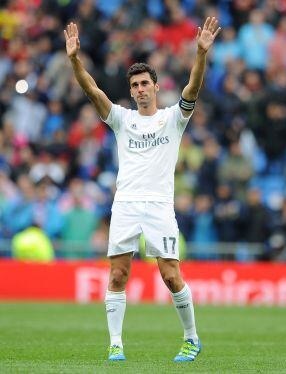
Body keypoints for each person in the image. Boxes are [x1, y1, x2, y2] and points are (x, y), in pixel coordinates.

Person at [64, 17, 221, 363]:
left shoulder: (173, 119)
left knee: (170, 275)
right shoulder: (121, 118)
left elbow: (193, 88)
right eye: (134, 84)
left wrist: (200, 53)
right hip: (126, 205)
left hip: (159, 205)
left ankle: (192, 338)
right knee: (118, 274)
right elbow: (91, 89)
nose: (139, 89)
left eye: (144, 83)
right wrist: (75, 59)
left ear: (155, 85)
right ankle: (116, 343)